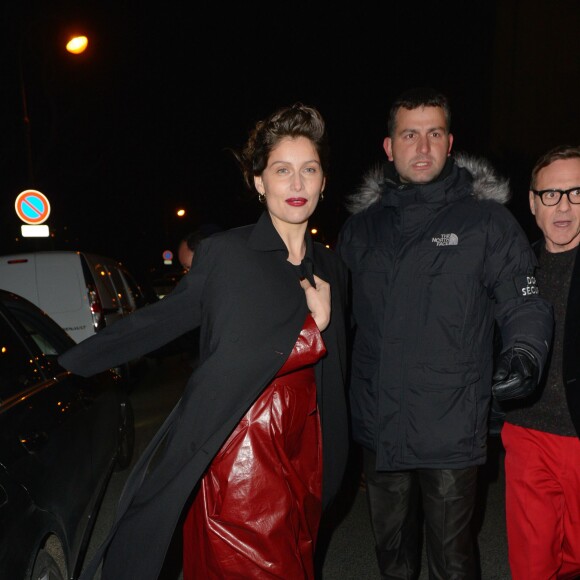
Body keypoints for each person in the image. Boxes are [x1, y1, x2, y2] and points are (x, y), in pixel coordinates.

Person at [59, 102, 350, 579]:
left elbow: (338, 374)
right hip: (243, 455)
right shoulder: (229, 255)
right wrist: (68, 364)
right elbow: (162, 320)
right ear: (259, 182)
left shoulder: (334, 268)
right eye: (282, 170)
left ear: (323, 181)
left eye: (308, 170)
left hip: (308, 455)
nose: (296, 184)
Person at [336, 87, 554, 579]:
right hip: (379, 421)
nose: (423, 147)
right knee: (392, 557)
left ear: (450, 142)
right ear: (389, 147)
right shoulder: (362, 231)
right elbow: (334, 319)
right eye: (409, 135)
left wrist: (524, 350)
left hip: (451, 423)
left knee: (452, 560)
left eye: (434, 134)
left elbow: (522, 297)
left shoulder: (487, 223)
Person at [497, 145, 580, 579]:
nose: (563, 205)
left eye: (576, 193)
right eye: (551, 194)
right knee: (532, 565)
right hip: (527, 432)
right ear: (532, 202)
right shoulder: (516, 266)